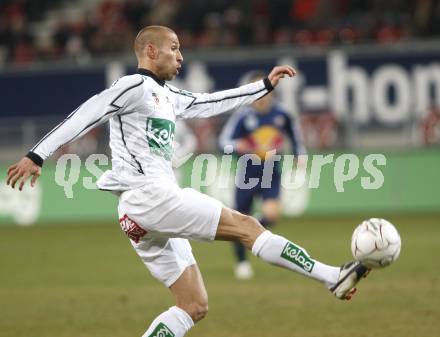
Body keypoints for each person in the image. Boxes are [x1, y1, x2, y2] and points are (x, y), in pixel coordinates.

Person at [7, 25, 369, 337]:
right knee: (247, 226)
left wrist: (263, 86)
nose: (181, 56)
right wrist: (38, 154)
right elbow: (87, 113)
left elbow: (210, 102)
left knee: (194, 304)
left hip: (139, 213)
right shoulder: (132, 86)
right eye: (174, 48)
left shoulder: (168, 96)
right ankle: (330, 276)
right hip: (149, 197)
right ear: (151, 51)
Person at [219, 71, 306, 280]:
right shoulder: (242, 116)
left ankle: (251, 227)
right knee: (240, 216)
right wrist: (237, 145)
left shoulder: (281, 114)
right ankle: (242, 263)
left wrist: (299, 154)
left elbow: (295, 135)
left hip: (271, 174)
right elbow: (223, 142)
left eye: (265, 91)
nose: (262, 97)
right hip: (247, 175)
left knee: (272, 215)